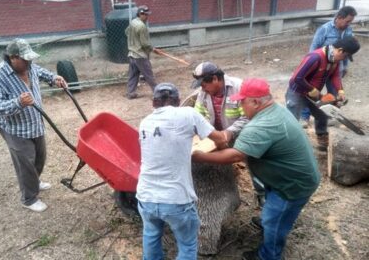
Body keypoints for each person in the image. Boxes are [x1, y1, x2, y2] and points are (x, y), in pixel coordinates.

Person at [192, 78, 320, 260]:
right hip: (281, 178)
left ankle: (267, 255)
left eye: (242, 101)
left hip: (291, 185)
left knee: (274, 224)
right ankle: (269, 220)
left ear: (255, 102)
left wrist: (198, 155)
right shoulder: (276, 110)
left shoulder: (261, 125)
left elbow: (235, 156)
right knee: (271, 210)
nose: (240, 106)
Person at [137, 82, 227, 260]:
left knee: (151, 236)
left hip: (145, 196)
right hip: (176, 199)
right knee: (187, 244)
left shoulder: (145, 122)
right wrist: (224, 145)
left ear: (153, 102)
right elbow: (218, 138)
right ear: (178, 100)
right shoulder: (188, 114)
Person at [0, 38, 67, 212]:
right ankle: (28, 198)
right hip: (16, 129)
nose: (29, 62)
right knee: (26, 163)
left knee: (39, 158)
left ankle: (34, 181)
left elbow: (41, 72)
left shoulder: (29, 67)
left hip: (35, 122)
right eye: (25, 59)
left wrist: (54, 78)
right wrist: (18, 103)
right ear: (13, 57)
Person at [191, 61, 265, 205]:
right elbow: (197, 115)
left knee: (253, 161)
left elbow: (248, 117)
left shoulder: (239, 88)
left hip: (242, 133)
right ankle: (223, 191)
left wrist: (228, 133)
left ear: (215, 79)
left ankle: (261, 193)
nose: (202, 88)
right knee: (211, 160)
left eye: (204, 84)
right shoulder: (204, 93)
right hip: (216, 135)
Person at [285, 36, 360, 151]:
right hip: (297, 92)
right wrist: (312, 90)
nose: (343, 59)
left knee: (322, 114)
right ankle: (287, 146)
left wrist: (340, 90)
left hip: (313, 94)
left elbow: (335, 76)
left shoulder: (334, 60)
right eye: (345, 56)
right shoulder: (315, 57)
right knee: (292, 120)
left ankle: (322, 138)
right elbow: (297, 78)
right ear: (340, 50)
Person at [300, 6, 357, 127]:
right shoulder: (324, 29)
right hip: (320, 67)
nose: (349, 24)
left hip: (336, 68)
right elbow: (313, 49)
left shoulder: (348, 30)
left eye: (350, 22)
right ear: (339, 18)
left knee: (333, 93)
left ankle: (330, 115)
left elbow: (347, 51)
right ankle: (304, 117)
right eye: (347, 21)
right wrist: (312, 68)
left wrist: (345, 67)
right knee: (312, 92)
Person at [125, 5, 161, 99]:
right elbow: (145, 44)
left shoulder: (133, 22)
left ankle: (130, 93)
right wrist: (153, 49)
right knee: (149, 75)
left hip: (132, 54)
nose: (147, 17)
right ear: (141, 14)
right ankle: (157, 93)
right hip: (140, 55)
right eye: (146, 15)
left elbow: (126, 32)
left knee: (133, 75)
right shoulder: (141, 26)